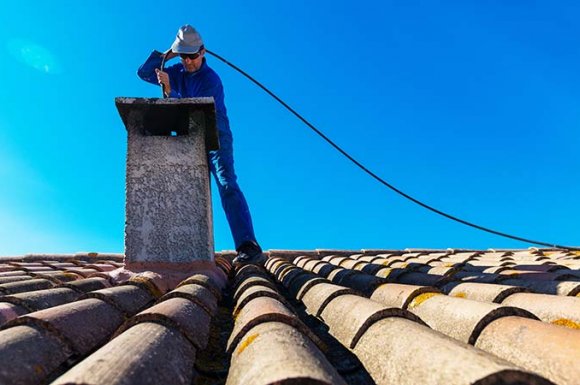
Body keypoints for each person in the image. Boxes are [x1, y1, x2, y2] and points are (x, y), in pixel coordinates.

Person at [137, 24, 264, 265]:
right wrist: (168, 55)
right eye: (184, 56)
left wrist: (170, 90)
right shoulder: (177, 70)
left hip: (215, 136)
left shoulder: (210, 79)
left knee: (226, 183)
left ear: (203, 52)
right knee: (184, 188)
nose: (188, 62)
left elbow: (195, 108)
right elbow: (144, 73)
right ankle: (184, 249)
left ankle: (248, 245)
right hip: (189, 137)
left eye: (192, 55)